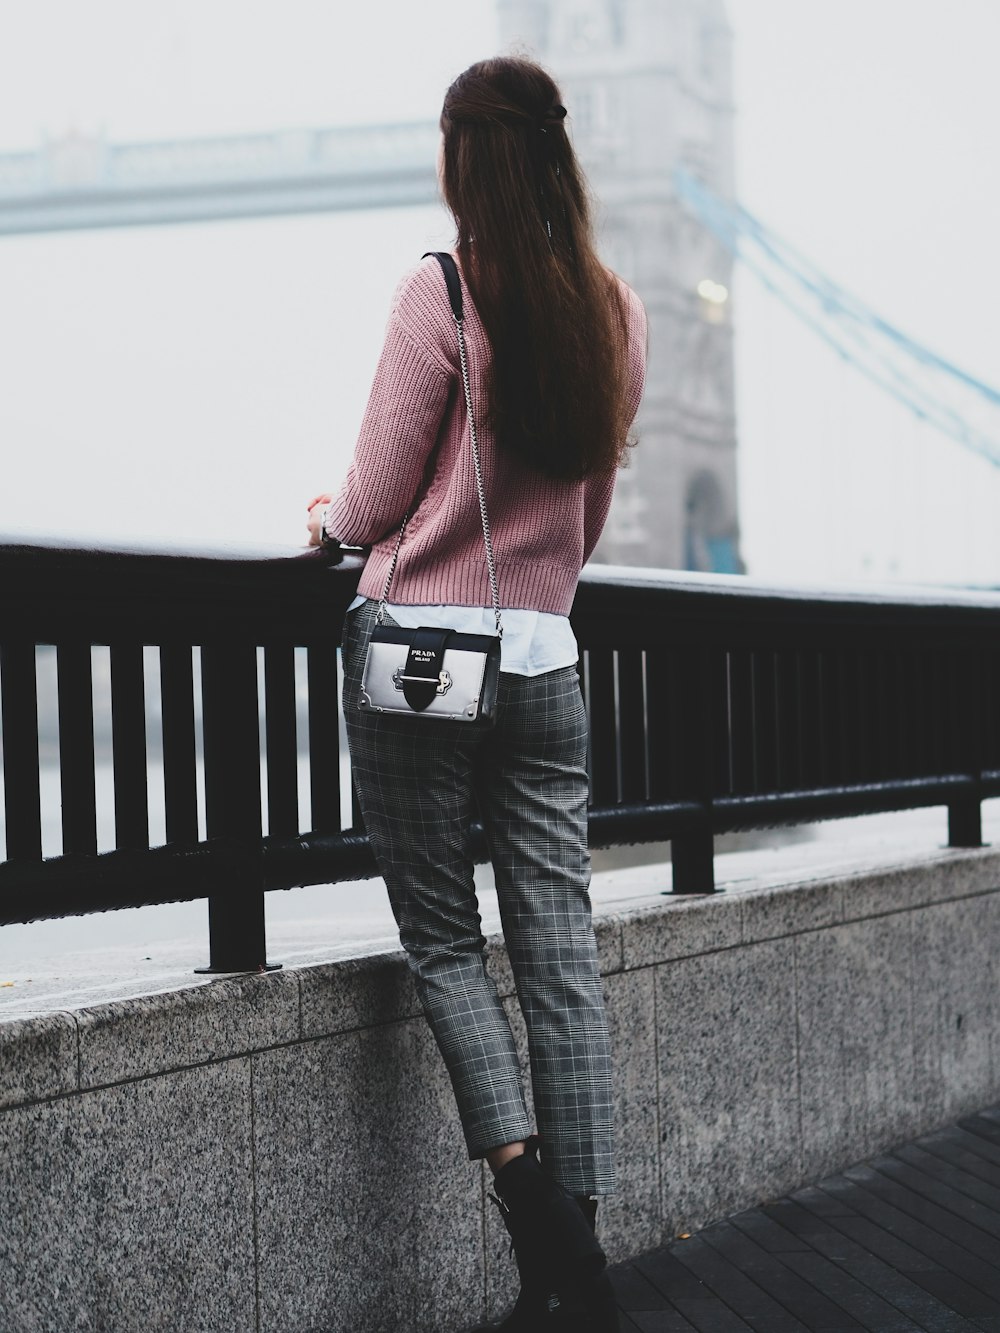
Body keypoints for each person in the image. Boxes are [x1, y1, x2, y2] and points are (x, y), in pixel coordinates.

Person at [307, 55, 646, 1332]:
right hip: (548, 659)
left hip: (421, 668)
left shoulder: (439, 293)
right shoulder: (612, 310)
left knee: (446, 940)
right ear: (556, 159)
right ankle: (575, 1258)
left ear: (462, 162)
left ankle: (534, 1211)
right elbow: (589, 516)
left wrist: (323, 522)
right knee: (560, 949)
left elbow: (376, 497)